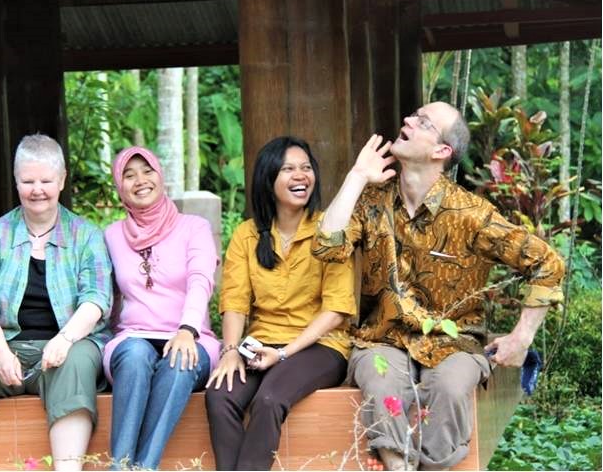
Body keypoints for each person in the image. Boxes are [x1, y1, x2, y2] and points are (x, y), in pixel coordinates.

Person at [312, 101, 565, 470]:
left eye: (422, 121)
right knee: (380, 379)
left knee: (447, 387)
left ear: (441, 151)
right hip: (383, 337)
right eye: (412, 115)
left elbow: (548, 263)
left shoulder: (471, 214)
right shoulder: (371, 201)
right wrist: (356, 176)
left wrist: (521, 337)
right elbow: (326, 246)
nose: (407, 121)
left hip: (455, 341)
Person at [0, 134, 113, 471]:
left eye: (46, 181)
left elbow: (96, 299)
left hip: (66, 344)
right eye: (28, 181)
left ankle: (67, 466)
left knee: (77, 360)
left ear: (61, 180)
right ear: (15, 181)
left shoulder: (86, 234)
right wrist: (0, 351)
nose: (37, 190)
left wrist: (64, 339)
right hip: (6, 343)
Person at [205, 136, 356, 471]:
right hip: (261, 342)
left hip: (319, 345)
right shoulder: (247, 234)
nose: (300, 175)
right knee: (220, 395)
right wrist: (230, 351)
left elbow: (335, 311)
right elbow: (235, 302)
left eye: (306, 168)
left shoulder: (329, 230)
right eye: (289, 169)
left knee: (270, 400)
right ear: (268, 178)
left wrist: (285, 352)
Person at [103, 146, 220, 469]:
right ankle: (121, 464)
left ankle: (142, 467)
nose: (140, 180)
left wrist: (187, 330)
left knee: (180, 360)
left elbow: (201, 280)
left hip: (191, 335)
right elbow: (104, 297)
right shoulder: (111, 236)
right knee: (136, 355)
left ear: (160, 175)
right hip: (133, 337)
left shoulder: (193, 227)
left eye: (147, 170)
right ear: (119, 186)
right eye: (129, 174)